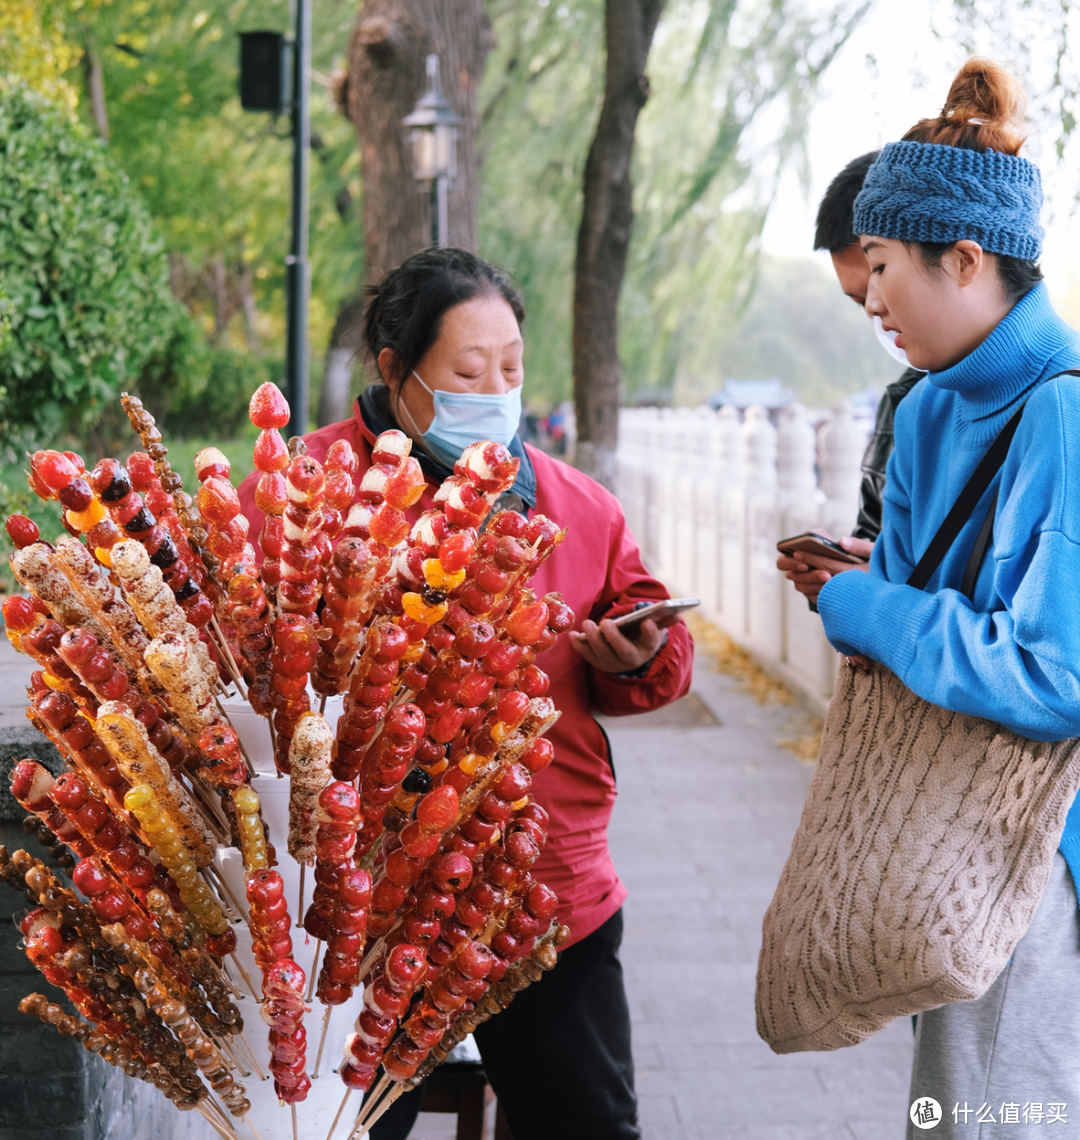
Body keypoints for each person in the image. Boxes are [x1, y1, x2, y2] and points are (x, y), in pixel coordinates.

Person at [237, 247, 694, 1140]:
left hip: (545, 886)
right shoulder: (306, 493)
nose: (497, 388)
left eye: (512, 368)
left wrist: (637, 655)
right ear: (396, 372)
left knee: (587, 1122)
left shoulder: (578, 506)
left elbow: (655, 654)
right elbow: (245, 654)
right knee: (344, 1127)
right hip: (359, 896)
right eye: (469, 370)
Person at [811, 60, 1080, 1138]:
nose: (871, 299)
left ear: (963, 261)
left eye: (882, 268)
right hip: (941, 840)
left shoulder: (1063, 415)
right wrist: (867, 595)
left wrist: (860, 605)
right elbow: (911, 624)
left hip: (1041, 852)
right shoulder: (924, 413)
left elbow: (1056, 676)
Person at [777, 151, 925, 608]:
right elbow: (875, 540)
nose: (874, 311)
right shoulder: (903, 399)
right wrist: (838, 574)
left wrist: (879, 601)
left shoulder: (1049, 403)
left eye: (881, 276)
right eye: (857, 299)